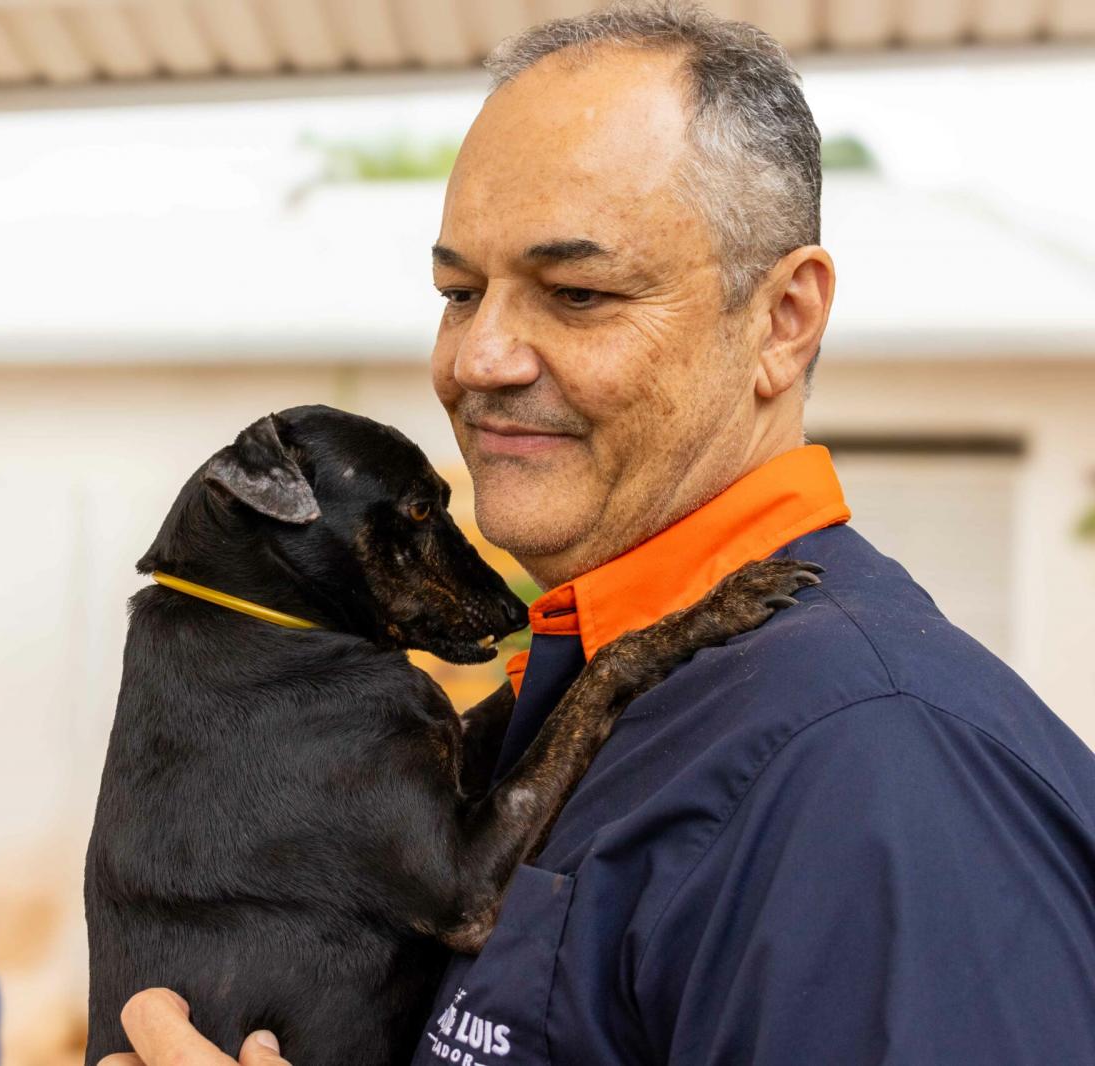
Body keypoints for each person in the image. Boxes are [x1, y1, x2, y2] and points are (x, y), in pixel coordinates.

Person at [99, 4, 1095, 1063]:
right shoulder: (589, 677)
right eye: (459, 290)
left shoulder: (876, 767)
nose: (476, 360)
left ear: (782, 321)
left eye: (576, 292)